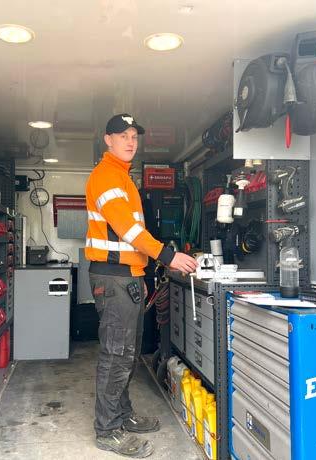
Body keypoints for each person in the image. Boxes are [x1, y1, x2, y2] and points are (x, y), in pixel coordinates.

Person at [85, 113, 198, 457]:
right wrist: (168, 256)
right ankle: (107, 430)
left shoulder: (123, 177)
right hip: (113, 277)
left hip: (127, 278)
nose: (130, 141)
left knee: (128, 354)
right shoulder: (106, 176)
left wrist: (140, 276)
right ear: (108, 140)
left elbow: (130, 239)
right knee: (116, 355)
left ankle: (122, 414)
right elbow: (129, 230)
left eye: (134, 136)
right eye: (123, 135)